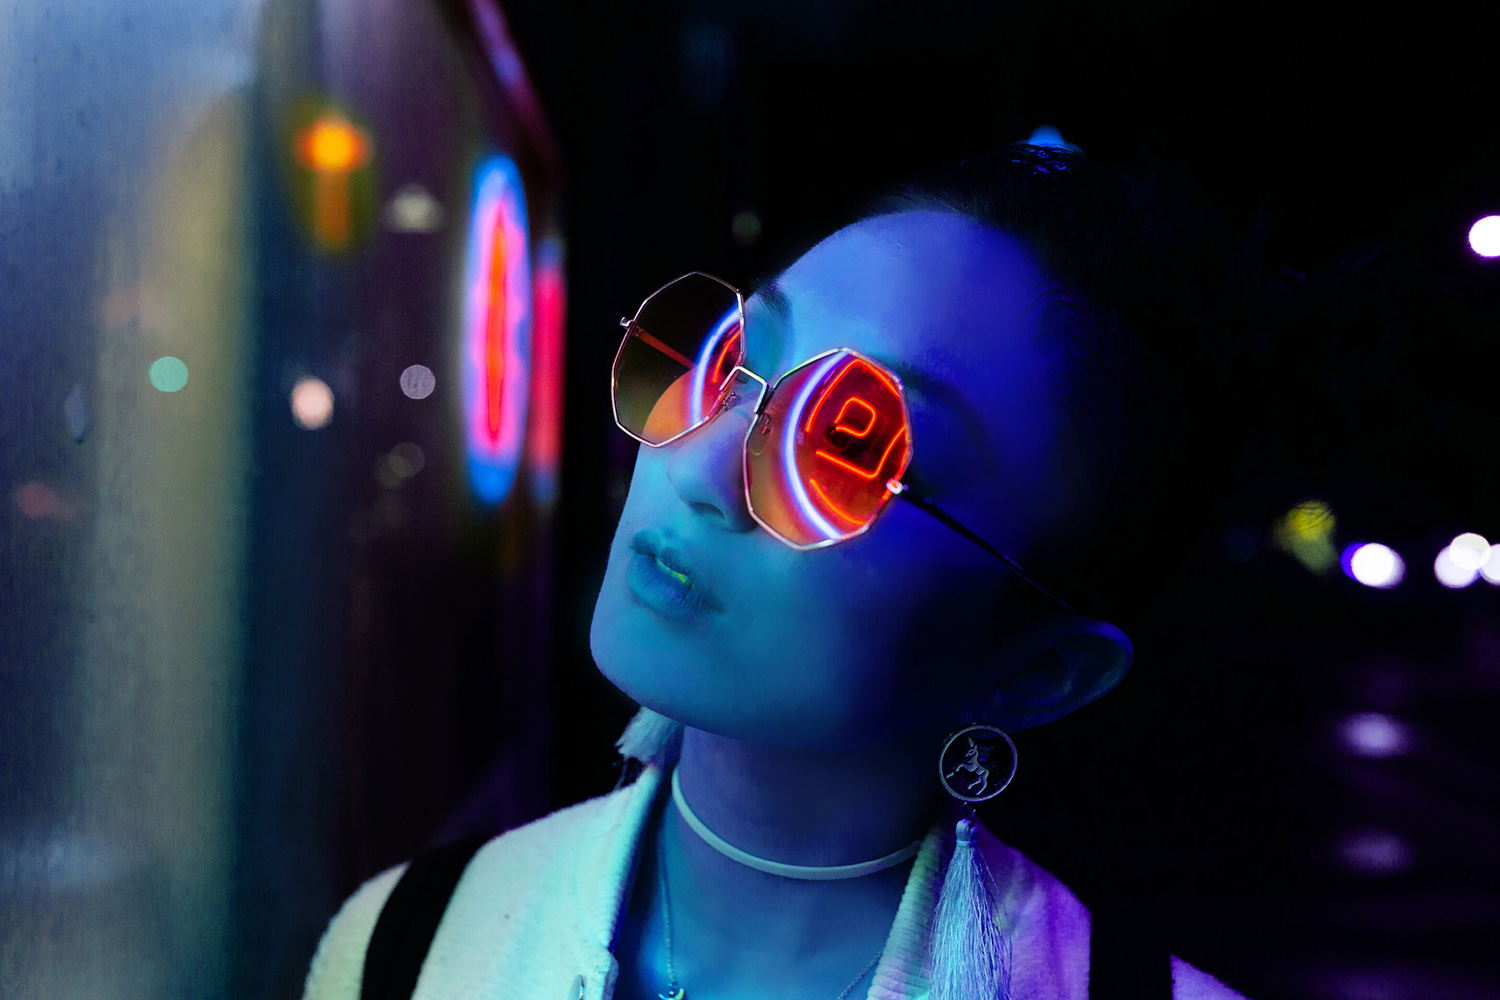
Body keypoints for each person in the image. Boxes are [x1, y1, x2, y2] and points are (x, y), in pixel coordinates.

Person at [302, 143, 1255, 1000]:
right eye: (730, 361)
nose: (698, 464)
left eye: (848, 448)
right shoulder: (405, 946)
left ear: (1041, 670)